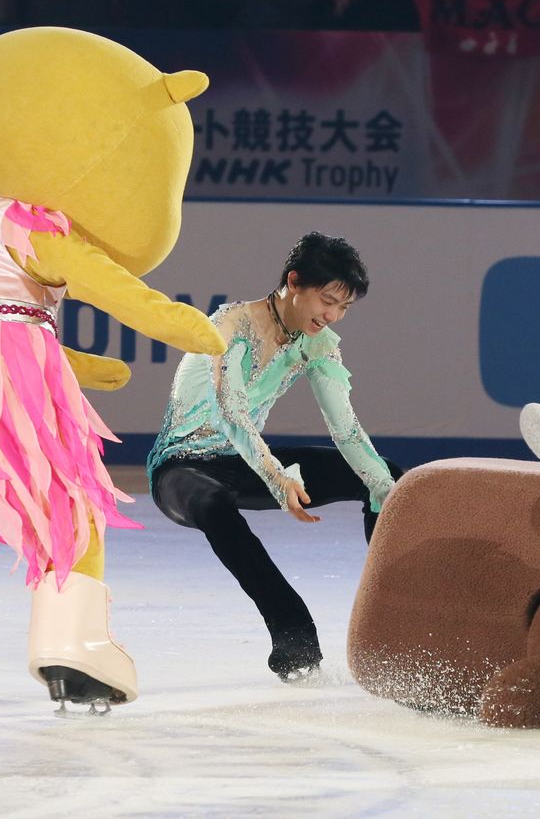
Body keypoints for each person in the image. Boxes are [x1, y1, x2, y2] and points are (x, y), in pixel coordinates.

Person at [148, 231, 400, 682]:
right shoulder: (227, 326)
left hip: (243, 464)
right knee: (213, 504)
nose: (334, 315)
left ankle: (399, 609)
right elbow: (232, 414)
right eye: (327, 300)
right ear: (294, 282)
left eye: (344, 307)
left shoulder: (316, 343)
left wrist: (386, 489)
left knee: (388, 478)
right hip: (181, 468)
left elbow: (345, 428)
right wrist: (277, 478)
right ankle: (294, 638)